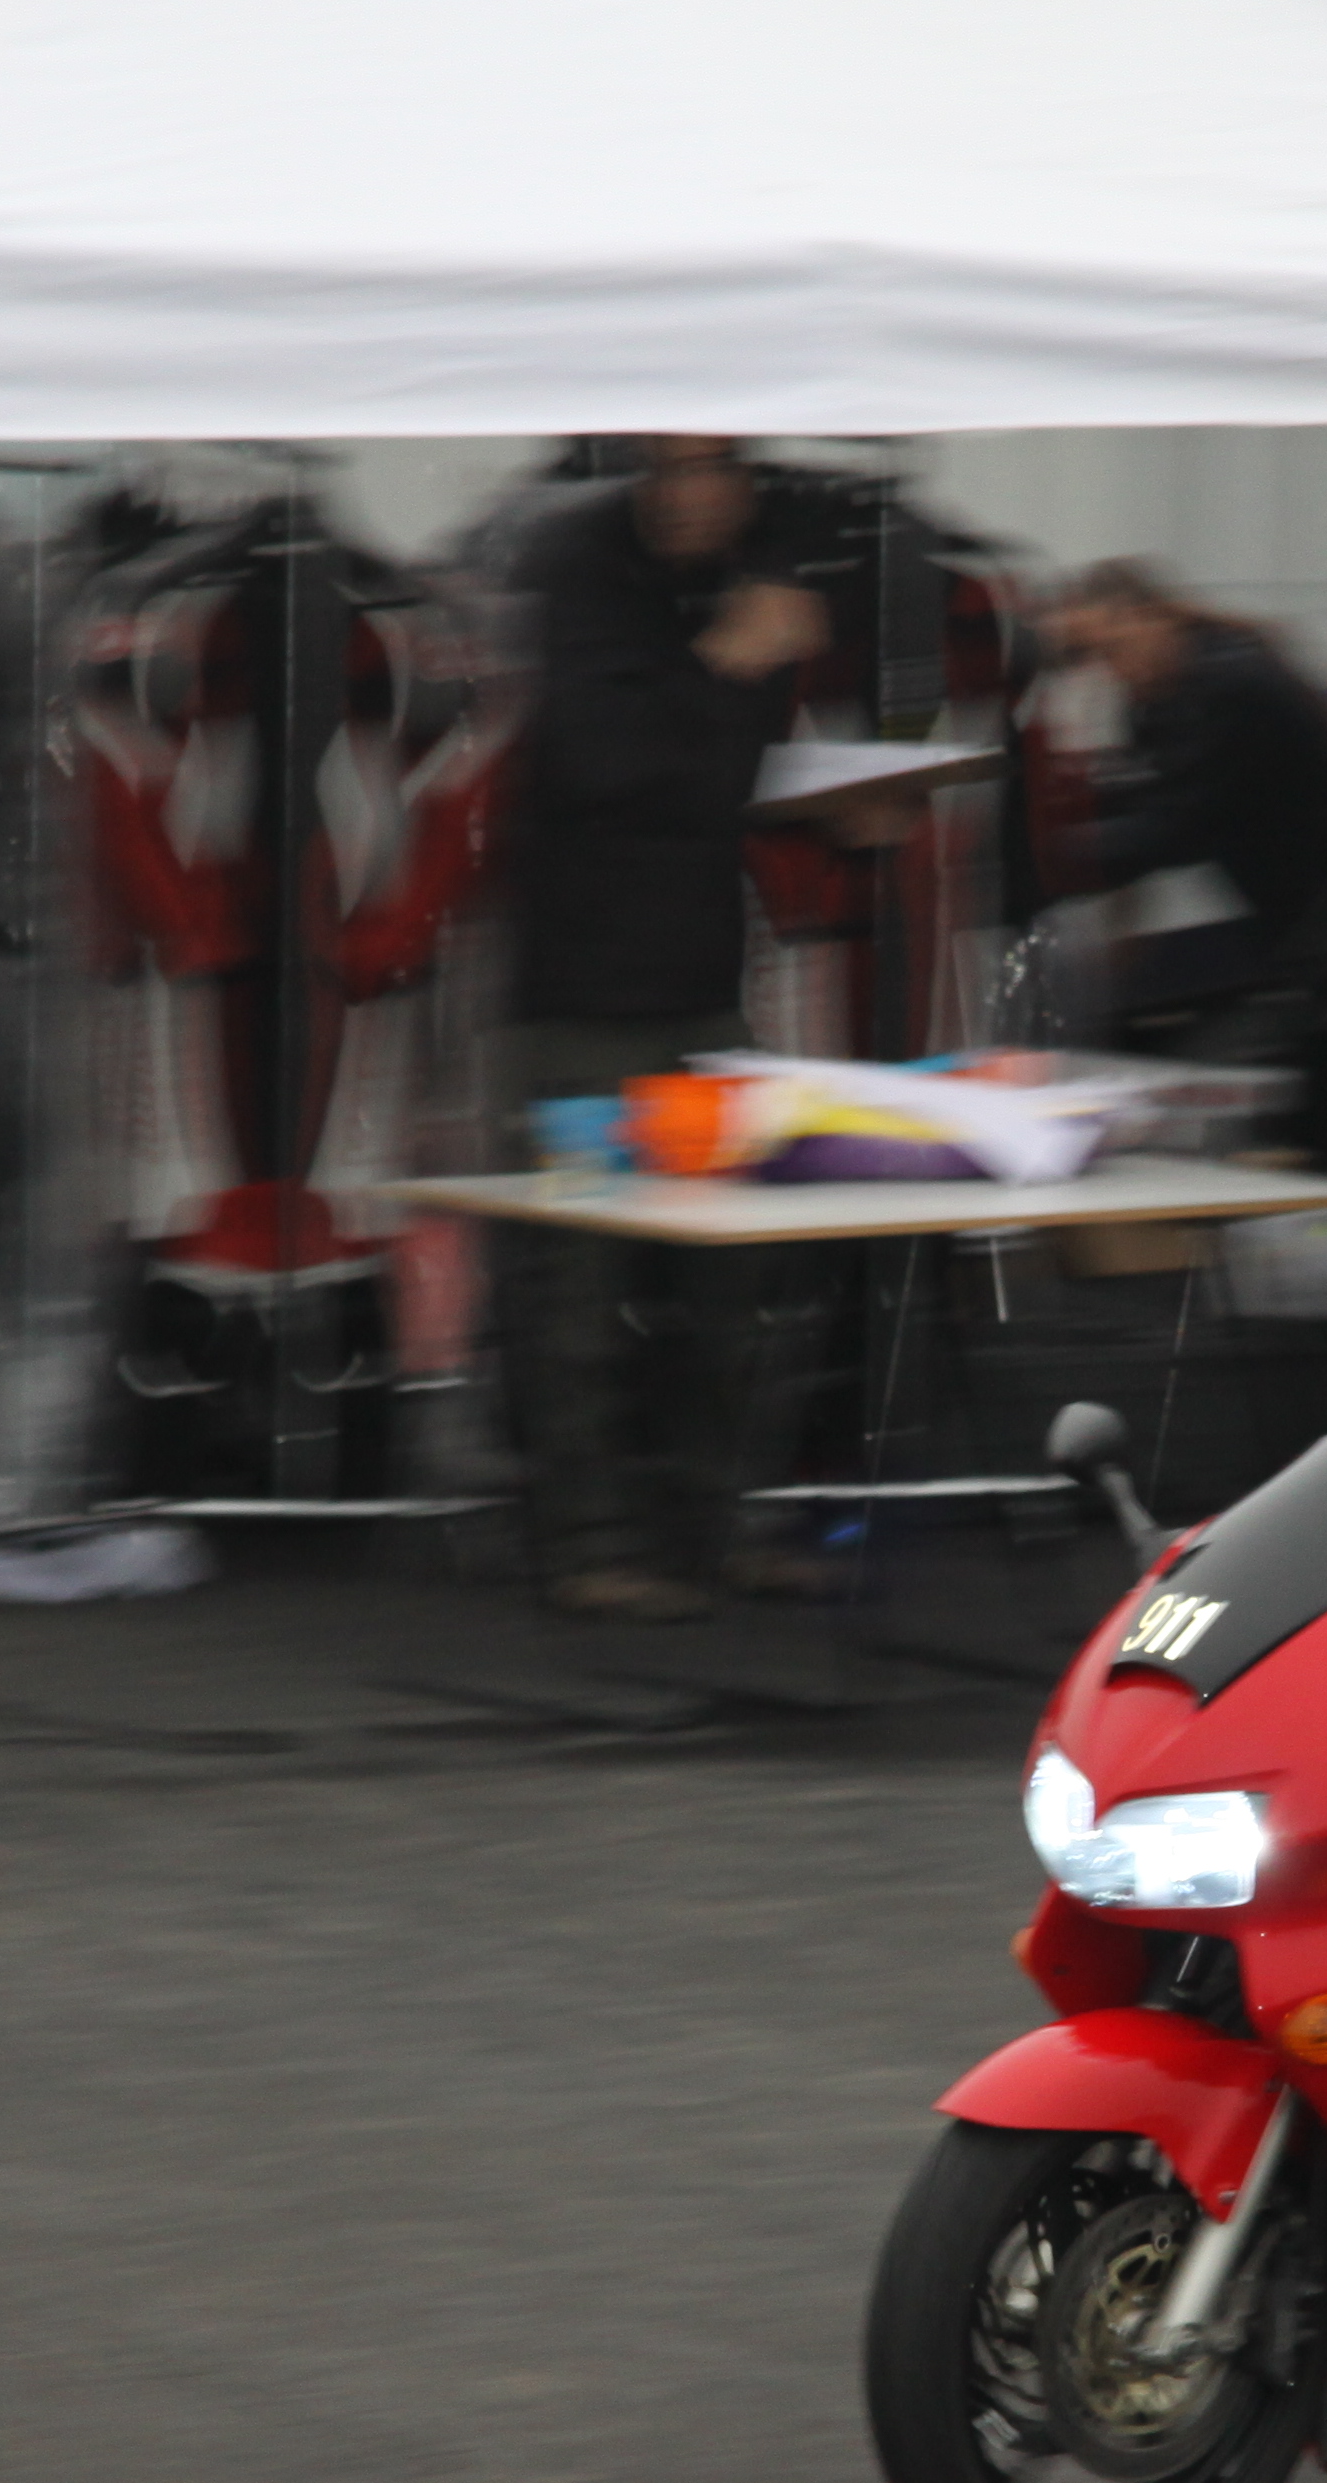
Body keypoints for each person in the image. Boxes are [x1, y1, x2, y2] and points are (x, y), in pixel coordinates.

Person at [499, 435, 823, 1623]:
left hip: (696, 978)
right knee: (577, 1290)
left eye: (715, 467)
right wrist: (729, 664)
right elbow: (599, 764)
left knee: (733, 1281)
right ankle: (590, 1539)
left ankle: (726, 1522)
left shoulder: (747, 566)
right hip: (580, 991)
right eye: (673, 465)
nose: (692, 493)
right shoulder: (574, 570)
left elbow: (719, 774)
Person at [1049, 558, 1327, 1039]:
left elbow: (1173, 827)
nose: (1109, 674)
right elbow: (1145, 804)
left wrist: (1043, 862)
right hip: (1311, 921)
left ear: (1146, 617)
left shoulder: (1227, 686)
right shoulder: (1163, 699)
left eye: (1110, 650)